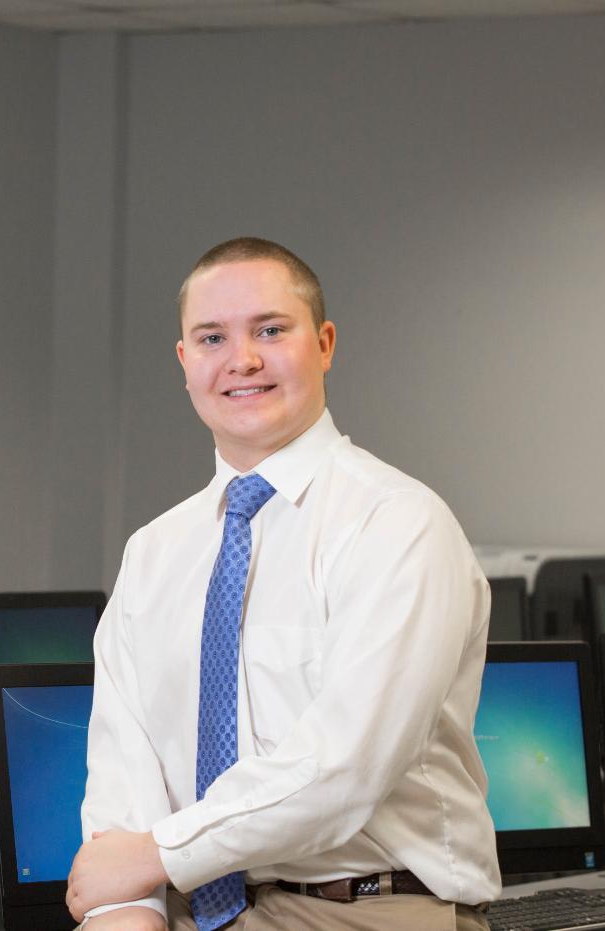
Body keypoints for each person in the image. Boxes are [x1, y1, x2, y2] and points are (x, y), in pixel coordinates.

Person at [66, 238, 500, 931]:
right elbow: (124, 765)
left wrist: (158, 853)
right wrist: (130, 907)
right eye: (213, 337)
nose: (242, 359)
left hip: (369, 906)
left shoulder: (398, 524)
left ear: (324, 343)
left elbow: (343, 770)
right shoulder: (152, 553)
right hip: (183, 907)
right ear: (185, 363)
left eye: (271, 329)